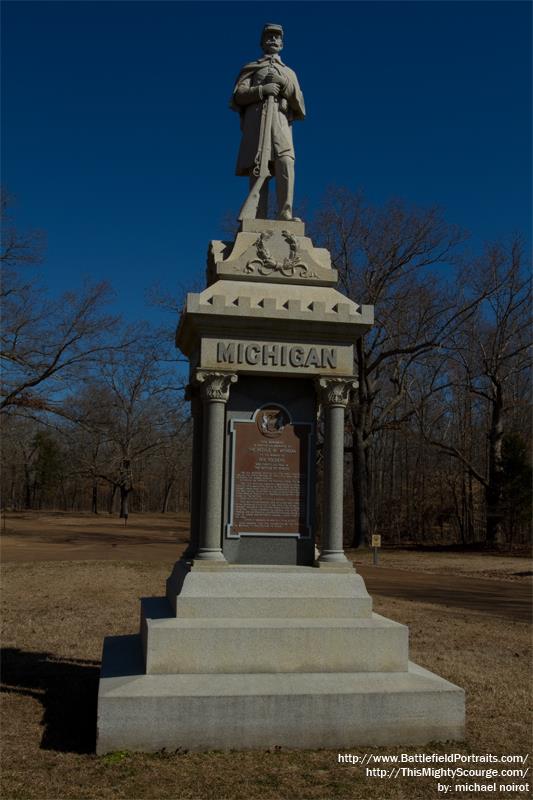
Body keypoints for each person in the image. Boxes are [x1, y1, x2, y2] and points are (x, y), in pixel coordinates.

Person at [230, 23, 305, 221]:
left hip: (280, 121)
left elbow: (300, 104)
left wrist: (284, 84)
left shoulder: (289, 72)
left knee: (286, 162)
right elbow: (238, 95)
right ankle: (257, 215)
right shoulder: (252, 68)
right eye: (269, 37)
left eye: (277, 37)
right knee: (259, 166)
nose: (273, 40)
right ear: (262, 42)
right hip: (258, 124)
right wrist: (262, 90)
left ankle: (285, 212)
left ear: (282, 43)